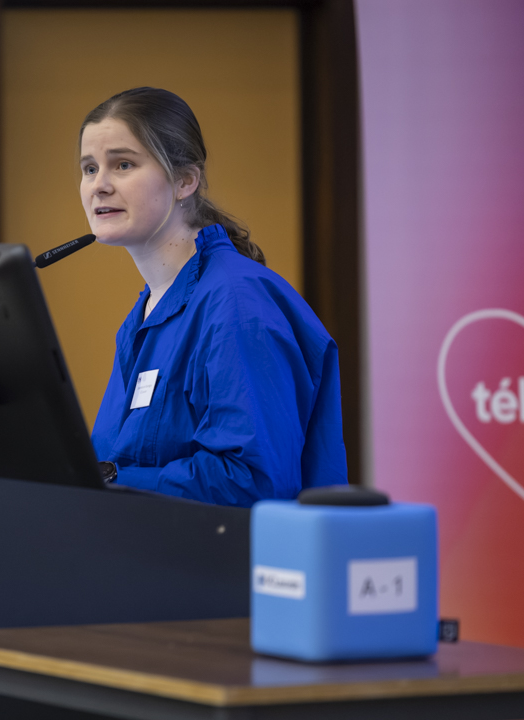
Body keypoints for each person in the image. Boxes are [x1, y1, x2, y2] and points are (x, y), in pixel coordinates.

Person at [82, 88, 347, 507]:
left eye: (123, 164)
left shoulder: (238, 302)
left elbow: (253, 483)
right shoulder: (144, 316)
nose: (99, 185)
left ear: (185, 181)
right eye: (90, 168)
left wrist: (111, 478)